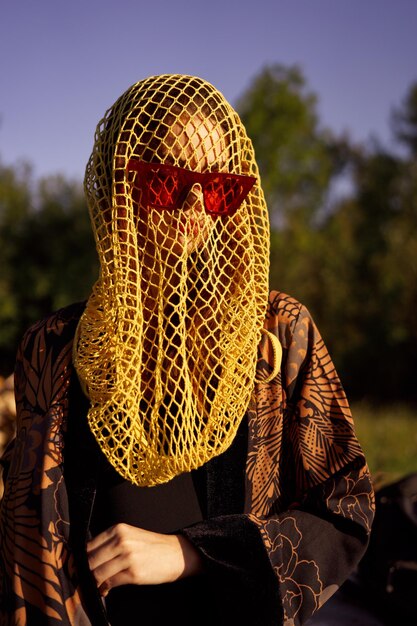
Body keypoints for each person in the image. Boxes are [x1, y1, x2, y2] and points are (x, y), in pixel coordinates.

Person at [0, 74, 374, 626]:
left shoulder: (277, 332)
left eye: (220, 186)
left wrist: (192, 553)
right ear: (117, 183)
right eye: (166, 180)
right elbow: (25, 546)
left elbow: (347, 508)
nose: (196, 202)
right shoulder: (52, 348)